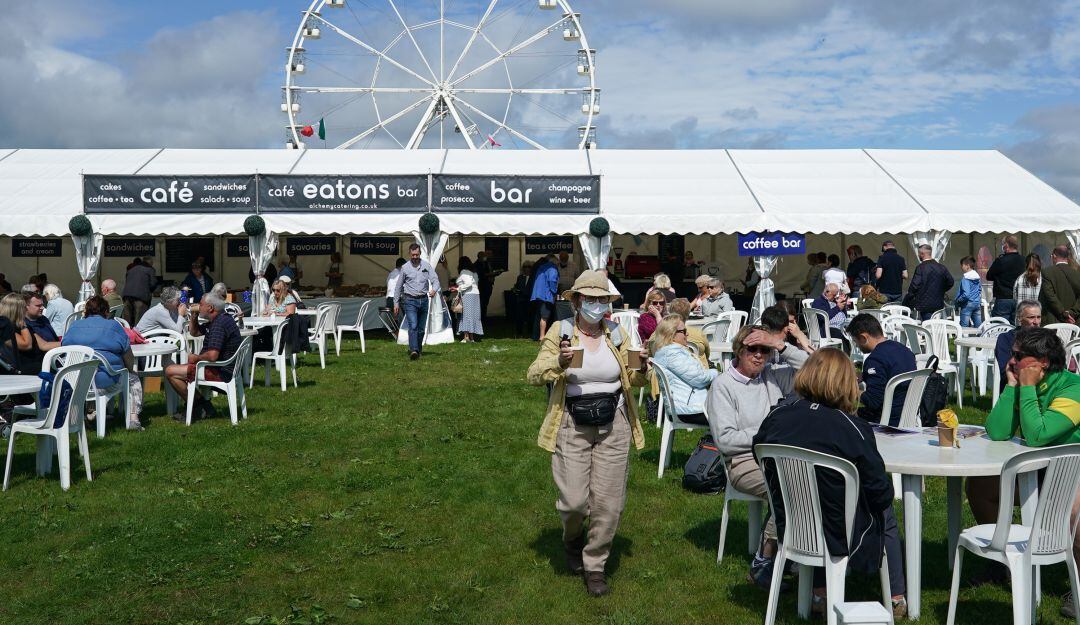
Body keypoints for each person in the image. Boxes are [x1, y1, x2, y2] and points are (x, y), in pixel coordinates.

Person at [753, 348, 907, 618]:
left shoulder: (777, 417)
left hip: (792, 523)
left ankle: (819, 593)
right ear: (846, 383)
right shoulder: (853, 428)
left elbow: (759, 453)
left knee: (823, 503)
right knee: (885, 512)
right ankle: (895, 597)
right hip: (841, 533)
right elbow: (880, 492)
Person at [526, 270, 648, 597]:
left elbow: (634, 378)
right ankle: (572, 539)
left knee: (609, 504)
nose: (596, 304)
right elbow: (534, 374)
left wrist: (643, 366)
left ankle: (595, 565)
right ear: (578, 301)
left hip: (614, 423)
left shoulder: (617, 333)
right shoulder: (562, 331)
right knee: (573, 503)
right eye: (590, 298)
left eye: (602, 299)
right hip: (572, 422)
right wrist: (559, 361)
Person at [966, 326, 1080, 615]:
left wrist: (1026, 389)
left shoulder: (1073, 389)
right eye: (1012, 354)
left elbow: (1038, 435)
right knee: (980, 488)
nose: (1011, 361)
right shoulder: (1024, 382)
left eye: (1018, 356)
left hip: (1072, 471)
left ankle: (1078, 583)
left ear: (1043, 362)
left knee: (1073, 514)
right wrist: (1012, 387)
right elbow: (997, 432)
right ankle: (1000, 562)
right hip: (1037, 469)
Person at [706, 324, 807, 588]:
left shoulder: (771, 376)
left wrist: (780, 344)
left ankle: (793, 553)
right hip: (742, 462)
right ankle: (764, 561)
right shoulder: (723, 386)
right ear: (739, 351)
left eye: (765, 349)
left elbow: (813, 369)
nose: (759, 355)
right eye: (753, 349)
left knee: (810, 483)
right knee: (789, 489)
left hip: (778, 458)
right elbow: (725, 441)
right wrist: (768, 433)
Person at [62, 295, 143, 430]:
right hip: (104, 382)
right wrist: (129, 369)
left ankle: (83, 416)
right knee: (132, 377)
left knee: (91, 371)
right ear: (106, 311)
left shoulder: (74, 326)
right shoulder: (113, 326)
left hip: (76, 381)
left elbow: (64, 348)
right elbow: (128, 356)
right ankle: (133, 419)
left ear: (86, 311)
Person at [164, 293, 241, 422]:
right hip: (224, 368)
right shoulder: (220, 319)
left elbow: (212, 355)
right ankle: (203, 405)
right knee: (174, 370)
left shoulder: (219, 324)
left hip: (219, 371)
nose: (199, 306)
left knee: (170, 371)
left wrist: (196, 358)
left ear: (210, 308)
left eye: (201, 304)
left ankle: (198, 406)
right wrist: (194, 315)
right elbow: (194, 332)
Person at [847, 313, 917, 426]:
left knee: (842, 415)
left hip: (886, 420)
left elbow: (873, 401)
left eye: (856, 342)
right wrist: (864, 375)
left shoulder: (874, 360)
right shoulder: (904, 350)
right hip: (909, 415)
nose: (857, 346)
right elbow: (891, 372)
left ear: (863, 337)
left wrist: (850, 389)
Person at [649, 315, 718, 425]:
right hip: (691, 410)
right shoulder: (672, 354)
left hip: (690, 407)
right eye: (684, 331)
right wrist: (716, 373)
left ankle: (714, 435)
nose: (687, 334)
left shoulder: (669, 352)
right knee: (738, 416)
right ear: (671, 334)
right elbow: (700, 379)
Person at [395, 243, 441, 360]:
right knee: (413, 325)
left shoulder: (426, 266)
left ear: (420, 254)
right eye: (413, 255)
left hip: (424, 300)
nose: (415, 257)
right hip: (410, 300)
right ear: (409, 254)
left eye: (417, 254)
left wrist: (434, 290)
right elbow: (398, 287)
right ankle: (414, 350)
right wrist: (396, 303)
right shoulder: (405, 268)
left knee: (421, 329)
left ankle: (418, 349)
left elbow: (435, 280)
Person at [994, 300, 1042, 390]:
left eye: (1038, 317)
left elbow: (1058, 366)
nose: (1036, 322)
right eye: (1031, 317)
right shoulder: (1006, 338)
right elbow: (1005, 370)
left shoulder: (1047, 338)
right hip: (1015, 387)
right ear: (1020, 318)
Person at [903, 244, 954, 320]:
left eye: (919, 254)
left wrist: (907, 300)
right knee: (937, 325)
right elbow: (950, 282)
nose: (918, 255)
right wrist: (940, 290)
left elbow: (914, 286)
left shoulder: (921, 268)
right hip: (938, 303)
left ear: (922, 254)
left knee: (927, 325)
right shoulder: (941, 267)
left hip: (924, 304)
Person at [986, 234, 1024, 323]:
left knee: (1000, 326)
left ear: (1006, 245)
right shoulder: (1024, 260)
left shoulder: (1000, 260)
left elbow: (989, 276)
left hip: (1003, 298)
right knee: (1016, 326)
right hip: (1019, 297)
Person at [1039, 244, 1080, 325]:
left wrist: (1064, 314)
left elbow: (1050, 296)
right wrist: (1072, 312)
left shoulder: (1047, 272)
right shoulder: (1077, 274)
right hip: (1074, 321)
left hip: (1053, 320)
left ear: (1054, 256)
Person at [666, 298, 710, 367]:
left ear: (670, 312)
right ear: (688, 313)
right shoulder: (698, 333)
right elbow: (707, 353)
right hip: (700, 370)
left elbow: (651, 353)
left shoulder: (661, 334)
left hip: (672, 370)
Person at [530, 254, 560, 342]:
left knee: (539, 316)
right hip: (546, 295)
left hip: (538, 295)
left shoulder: (542, 267)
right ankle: (542, 336)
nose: (558, 264)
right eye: (557, 262)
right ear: (554, 261)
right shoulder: (552, 268)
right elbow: (552, 281)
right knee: (545, 317)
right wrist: (554, 291)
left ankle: (536, 336)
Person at [455, 257, 483, 343]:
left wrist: (458, 288)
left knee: (466, 315)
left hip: (468, 295)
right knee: (473, 315)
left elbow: (468, 284)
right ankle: (471, 337)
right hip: (475, 295)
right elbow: (475, 283)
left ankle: (466, 337)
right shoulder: (474, 273)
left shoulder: (464, 272)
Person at [122, 258, 156, 325]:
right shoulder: (150, 270)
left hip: (127, 296)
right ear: (150, 263)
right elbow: (153, 284)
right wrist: (149, 292)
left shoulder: (131, 269)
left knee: (127, 323)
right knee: (139, 323)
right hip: (141, 298)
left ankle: (127, 332)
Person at [955, 256, 983, 328]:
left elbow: (966, 294)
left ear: (967, 266)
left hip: (967, 304)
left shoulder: (966, 278)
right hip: (977, 303)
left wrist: (958, 300)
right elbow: (980, 290)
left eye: (962, 265)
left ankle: (964, 336)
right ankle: (980, 335)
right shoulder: (977, 277)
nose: (961, 267)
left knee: (964, 327)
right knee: (979, 326)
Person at [512, 261, 534, 338]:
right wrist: (515, 289)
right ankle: (519, 332)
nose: (527, 269)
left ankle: (530, 332)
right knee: (519, 317)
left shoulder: (533, 277)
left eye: (529, 267)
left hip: (530, 299)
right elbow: (517, 286)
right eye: (525, 267)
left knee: (530, 317)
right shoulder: (520, 277)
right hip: (521, 299)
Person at [474, 250, 495, 324]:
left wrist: (493, 274)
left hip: (488, 285)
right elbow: (481, 275)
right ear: (480, 256)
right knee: (481, 303)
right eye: (484, 256)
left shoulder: (485, 263)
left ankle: (483, 318)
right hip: (481, 286)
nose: (486, 257)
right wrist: (490, 274)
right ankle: (480, 319)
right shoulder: (477, 264)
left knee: (485, 303)